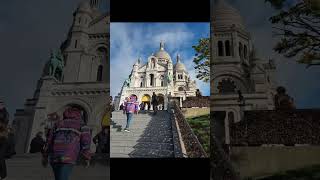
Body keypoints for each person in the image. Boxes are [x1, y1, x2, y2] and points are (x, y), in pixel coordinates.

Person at [42, 107, 92, 180]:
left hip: (55, 156)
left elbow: (49, 141)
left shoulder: (57, 124)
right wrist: (86, 157)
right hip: (69, 156)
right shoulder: (82, 126)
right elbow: (86, 143)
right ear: (79, 115)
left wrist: (45, 156)